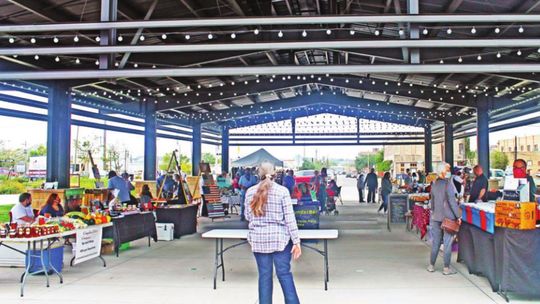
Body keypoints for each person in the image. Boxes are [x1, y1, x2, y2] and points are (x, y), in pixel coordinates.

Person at [244, 162, 301, 304]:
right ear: (275, 174)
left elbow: (247, 216)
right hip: (279, 240)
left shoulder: (250, 192)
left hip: (258, 240)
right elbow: (290, 219)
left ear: (258, 174)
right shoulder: (282, 191)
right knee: (284, 274)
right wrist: (296, 241)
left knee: (264, 276)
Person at [427, 162, 460, 276]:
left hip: (436, 217)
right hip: (448, 218)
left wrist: (434, 212)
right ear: (442, 171)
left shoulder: (434, 184)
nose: (449, 171)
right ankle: (446, 268)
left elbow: (432, 202)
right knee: (447, 243)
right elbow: (452, 202)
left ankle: (431, 265)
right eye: (448, 169)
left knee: (436, 242)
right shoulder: (448, 185)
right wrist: (458, 216)